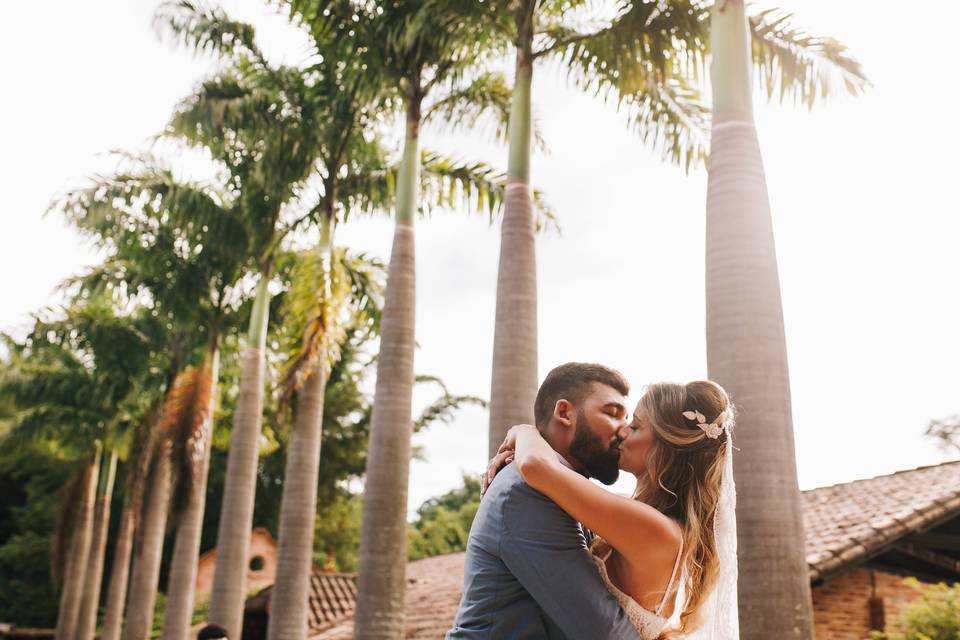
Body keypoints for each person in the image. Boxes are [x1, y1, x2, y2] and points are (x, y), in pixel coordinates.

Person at [489, 375, 739, 639]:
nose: (622, 431)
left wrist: (523, 431)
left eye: (636, 427)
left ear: (666, 447)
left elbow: (535, 467)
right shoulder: (646, 518)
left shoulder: (655, 530)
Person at [446, 362, 643, 639]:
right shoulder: (526, 493)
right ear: (564, 413)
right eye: (612, 414)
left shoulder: (566, 490)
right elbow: (604, 631)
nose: (623, 430)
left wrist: (524, 432)